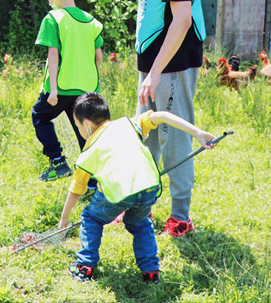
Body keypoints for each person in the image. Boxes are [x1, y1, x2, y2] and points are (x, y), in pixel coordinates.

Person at [110, 0, 207, 237]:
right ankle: (141, 208)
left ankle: (180, 216)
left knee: (173, 135)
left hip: (174, 61)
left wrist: (154, 73)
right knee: (144, 135)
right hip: (152, 57)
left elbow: (181, 20)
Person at [59, 92, 216, 283]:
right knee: (140, 223)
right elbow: (162, 116)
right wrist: (197, 132)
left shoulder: (88, 153)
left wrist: (65, 217)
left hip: (118, 195)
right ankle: (151, 272)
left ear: (86, 123)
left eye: (77, 126)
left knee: (91, 218)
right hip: (149, 189)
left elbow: (77, 189)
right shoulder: (128, 124)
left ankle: (85, 265)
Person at [31, 0, 104, 182]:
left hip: (61, 87)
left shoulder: (53, 18)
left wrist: (52, 89)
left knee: (40, 115)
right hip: (87, 89)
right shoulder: (92, 21)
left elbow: (53, 55)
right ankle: (91, 181)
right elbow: (98, 56)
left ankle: (57, 161)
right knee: (84, 132)